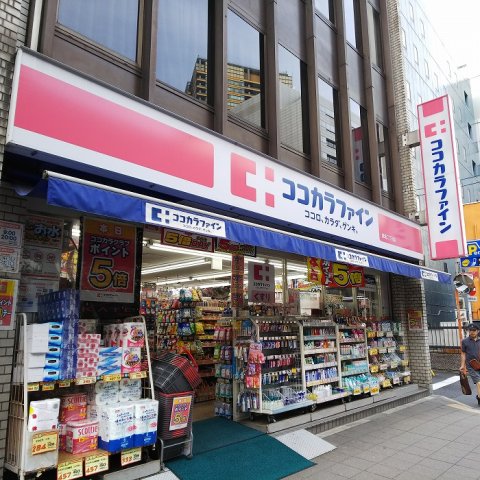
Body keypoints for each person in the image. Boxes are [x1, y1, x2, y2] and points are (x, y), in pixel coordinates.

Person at [460, 323, 480, 404]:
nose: (472, 332)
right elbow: (463, 354)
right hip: (471, 365)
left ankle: (478, 397)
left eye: (474, 330)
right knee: (479, 382)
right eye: (470, 330)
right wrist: (462, 365)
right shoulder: (465, 341)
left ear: (478, 331)